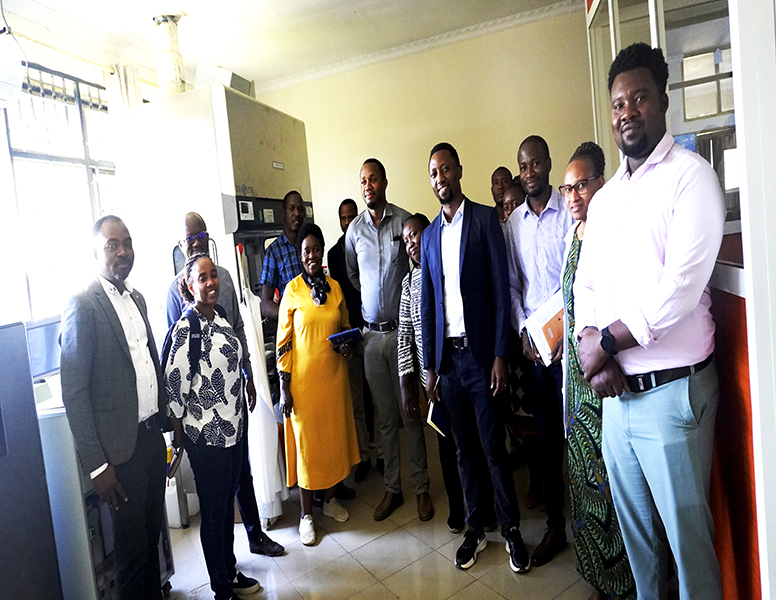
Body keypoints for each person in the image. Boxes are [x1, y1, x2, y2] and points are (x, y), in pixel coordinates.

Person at [575, 43, 725, 600]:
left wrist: (608, 343)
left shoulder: (691, 178)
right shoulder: (606, 199)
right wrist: (592, 346)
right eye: (618, 104)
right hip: (617, 399)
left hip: (673, 396)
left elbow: (679, 290)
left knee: (689, 552)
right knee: (640, 553)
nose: (627, 112)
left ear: (662, 100)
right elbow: (586, 285)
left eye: (639, 98)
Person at [421, 142, 529, 573]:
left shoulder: (484, 220)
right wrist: (429, 367)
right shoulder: (429, 236)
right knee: (463, 451)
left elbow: (502, 291)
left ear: (459, 171)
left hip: (482, 358)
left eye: (446, 169)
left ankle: (512, 528)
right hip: (448, 364)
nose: (440, 178)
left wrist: (501, 354)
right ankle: (475, 528)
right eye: (434, 173)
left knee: (493, 448)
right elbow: (428, 304)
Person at [60, 215, 167, 600]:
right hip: (120, 457)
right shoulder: (83, 305)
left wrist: (168, 420)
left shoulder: (137, 299)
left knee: (152, 541)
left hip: (151, 440)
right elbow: (74, 392)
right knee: (131, 556)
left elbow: (149, 364)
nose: (123, 251)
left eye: (127, 243)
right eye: (112, 245)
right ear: (95, 254)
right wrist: (98, 467)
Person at [165, 212, 283, 557]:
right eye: (190, 238)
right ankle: (223, 571)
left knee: (242, 473)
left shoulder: (225, 278)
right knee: (216, 499)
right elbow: (175, 359)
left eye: (201, 235)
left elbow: (238, 330)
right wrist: (177, 427)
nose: (196, 242)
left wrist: (248, 373)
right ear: (180, 244)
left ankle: (255, 537)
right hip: (204, 416)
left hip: (232, 399)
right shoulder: (174, 293)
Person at [560, 142, 636, 600]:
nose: (573, 196)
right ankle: (599, 579)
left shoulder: (612, 231)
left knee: (611, 486)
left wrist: (602, 364)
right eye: (567, 188)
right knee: (583, 481)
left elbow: (620, 306)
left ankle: (624, 583)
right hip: (576, 381)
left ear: (601, 184)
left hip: (603, 377)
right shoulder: (576, 233)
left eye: (581, 185)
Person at [165, 253, 261, 600]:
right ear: (190, 286)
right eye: (202, 278)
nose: (210, 283)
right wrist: (179, 438)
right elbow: (173, 389)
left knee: (225, 509)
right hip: (206, 439)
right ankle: (221, 589)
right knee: (214, 513)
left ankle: (229, 572)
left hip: (233, 431)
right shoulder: (186, 328)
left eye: (213, 276)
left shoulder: (220, 316)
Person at [346, 158, 432, 522]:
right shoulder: (354, 232)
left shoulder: (403, 221)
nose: (368, 186)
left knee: (411, 414)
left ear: (384, 182)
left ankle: (422, 488)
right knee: (384, 420)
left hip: (402, 335)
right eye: (363, 181)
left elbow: (420, 264)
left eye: (373, 179)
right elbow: (353, 276)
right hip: (371, 338)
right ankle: (393, 489)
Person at [506, 135, 574, 567]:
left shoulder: (569, 210)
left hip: (570, 346)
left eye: (535, 164)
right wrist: (523, 332)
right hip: (535, 353)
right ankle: (555, 526)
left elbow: (577, 276)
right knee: (548, 441)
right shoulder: (513, 224)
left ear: (548, 164)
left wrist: (568, 329)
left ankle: (591, 522)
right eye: (523, 166)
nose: (529, 173)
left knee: (578, 437)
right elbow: (514, 285)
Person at [277, 222, 361, 546]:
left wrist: (348, 347)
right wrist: (284, 387)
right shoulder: (292, 291)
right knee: (307, 448)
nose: (312, 255)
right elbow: (283, 343)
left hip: (333, 380)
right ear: (300, 256)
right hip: (303, 386)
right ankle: (306, 515)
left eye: (316, 249)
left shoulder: (336, 288)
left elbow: (345, 327)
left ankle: (330, 501)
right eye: (306, 251)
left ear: (322, 251)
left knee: (332, 441)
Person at [397, 212, 473, 533]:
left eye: (414, 235)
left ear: (428, 234)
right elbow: (404, 335)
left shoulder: (446, 266)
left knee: (471, 442)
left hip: (459, 368)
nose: (411, 244)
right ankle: (457, 508)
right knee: (446, 445)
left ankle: (481, 507)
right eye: (406, 241)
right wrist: (407, 382)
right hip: (432, 380)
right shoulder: (408, 283)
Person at [327, 198, 373, 482]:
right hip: (349, 334)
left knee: (376, 397)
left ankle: (382, 452)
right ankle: (364, 454)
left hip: (372, 328)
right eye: (343, 218)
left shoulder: (367, 243)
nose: (347, 222)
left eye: (351, 217)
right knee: (357, 398)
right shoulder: (333, 254)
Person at [259, 190, 305, 321]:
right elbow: (265, 305)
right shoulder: (273, 252)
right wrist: (290, 315)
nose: (296, 213)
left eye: (300, 209)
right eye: (292, 209)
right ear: (284, 214)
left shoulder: (309, 245)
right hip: (293, 327)